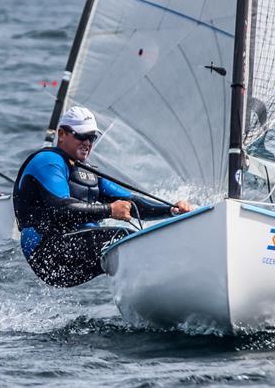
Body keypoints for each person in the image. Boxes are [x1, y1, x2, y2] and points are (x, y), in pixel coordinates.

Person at [13, 106, 194, 287]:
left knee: (136, 241)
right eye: (82, 136)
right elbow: (62, 208)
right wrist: (109, 210)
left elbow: (132, 203)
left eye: (92, 138)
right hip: (46, 253)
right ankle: (168, 288)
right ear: (61, 134)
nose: (87, 143)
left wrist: (171, 210)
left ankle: (165, 289)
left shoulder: (87, 172)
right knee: (124, 238)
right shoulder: (48, 161)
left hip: (74, 246)